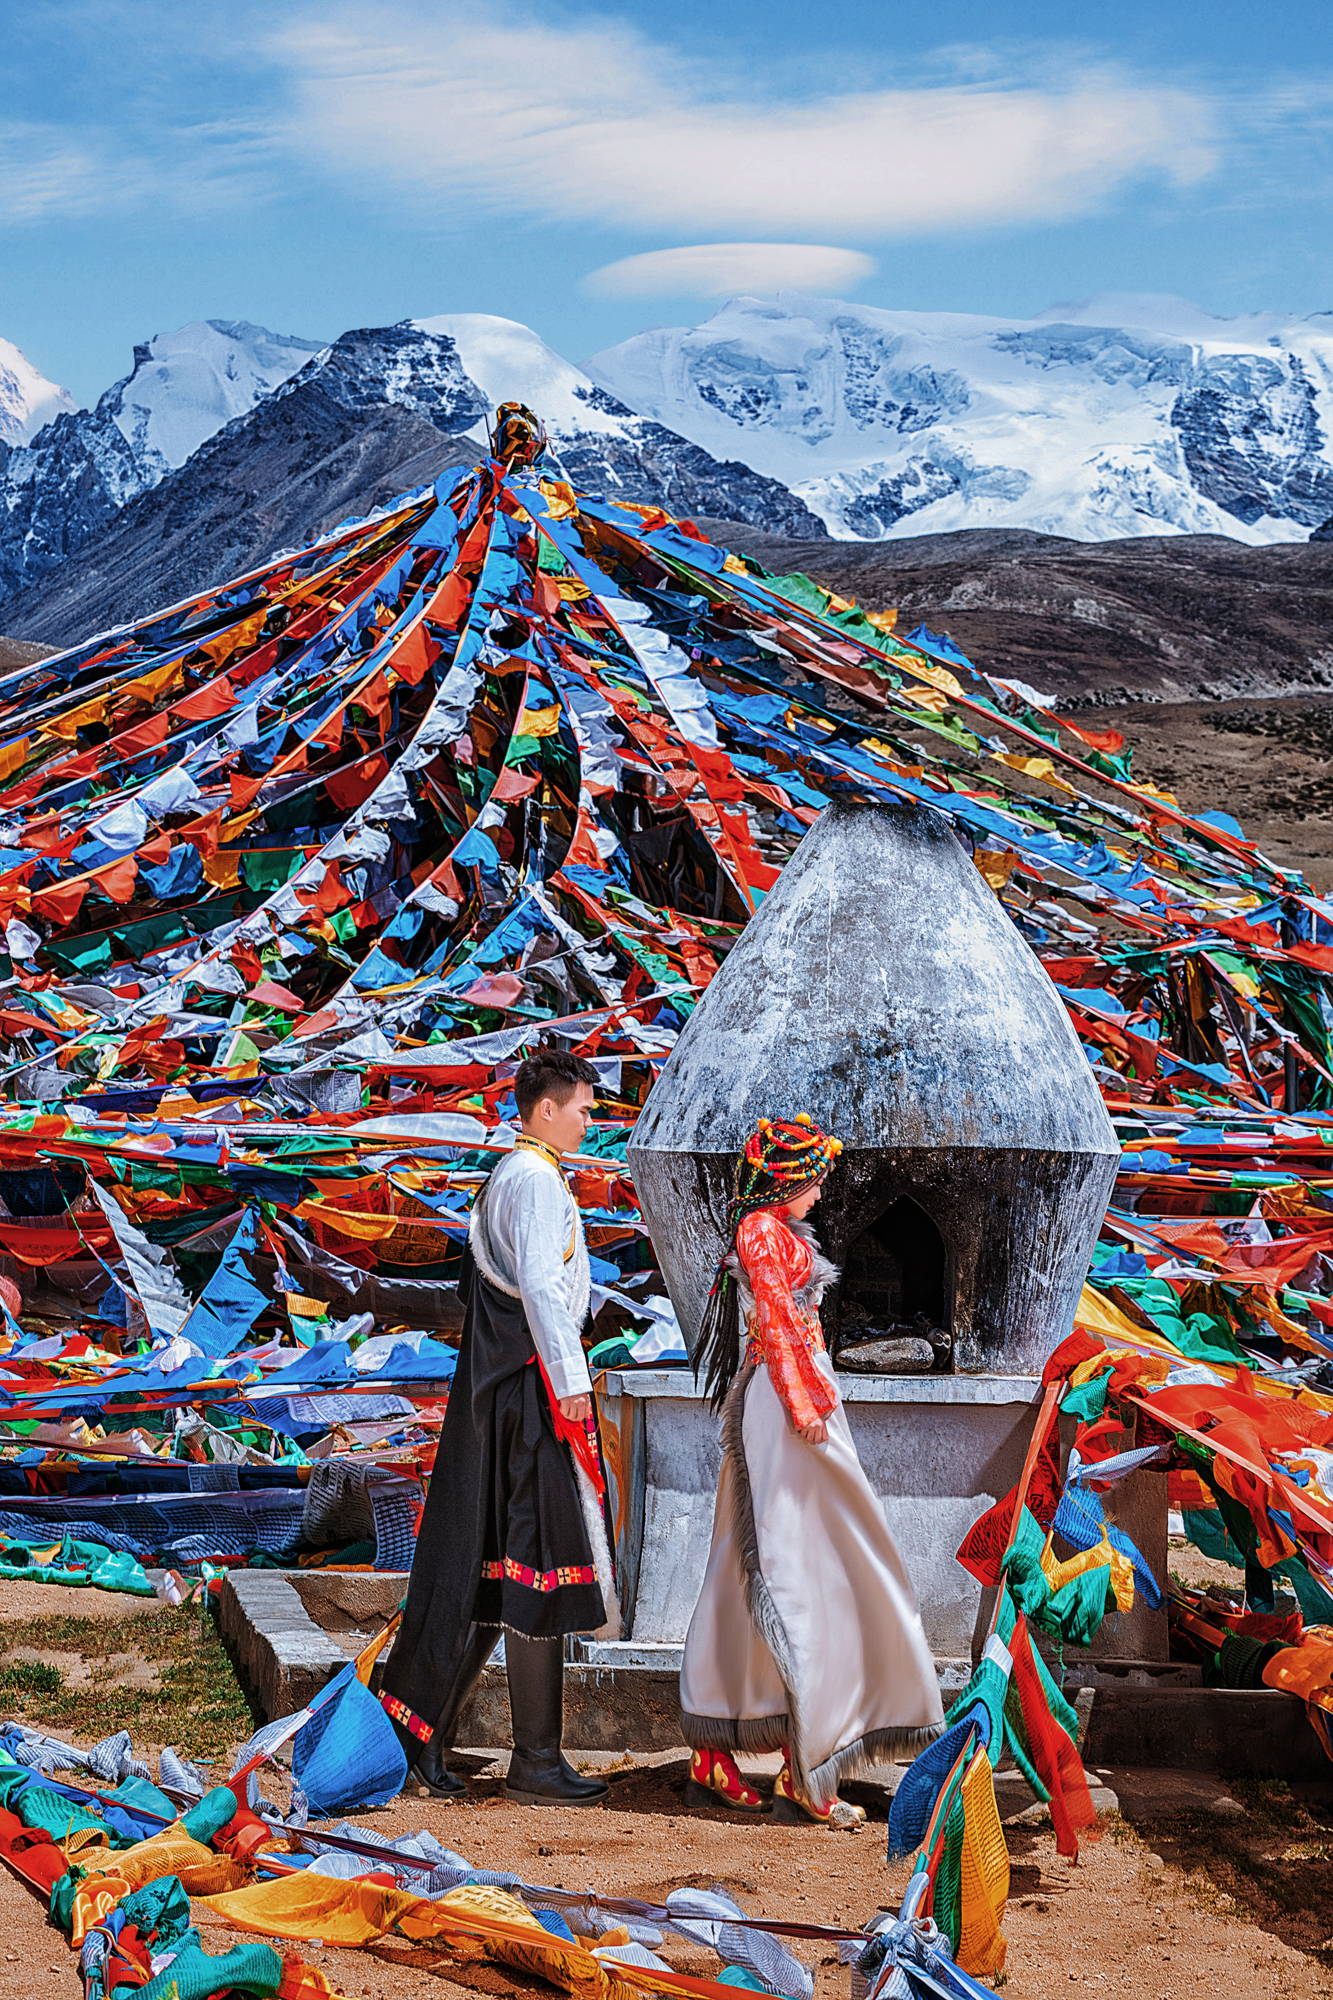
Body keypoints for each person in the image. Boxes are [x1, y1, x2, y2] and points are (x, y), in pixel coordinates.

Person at [680, 1114, 945, 1827]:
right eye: (816, 1174)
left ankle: (734, 1743)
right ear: (788, 1176)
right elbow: (774, 1324)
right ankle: (805, 1767)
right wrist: (804, 1411)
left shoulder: (777, 1230)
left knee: (770, 1567)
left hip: (794, 1396)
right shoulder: (764, 1232)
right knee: (808, 1569)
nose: (823, 1187)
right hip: (786, 1403)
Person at [380, 1049, 618, 1806]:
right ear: (545, 1108)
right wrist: (572, 1383)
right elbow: (546, 1287)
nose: (589, 1121)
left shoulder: (509, 1175)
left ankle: (427, 1737)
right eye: (583, 1108)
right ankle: (536, 1760)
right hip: (528, 1392)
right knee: (539, 1559)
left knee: (485, 1565)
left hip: (498, 1389)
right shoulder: (538, 1179)